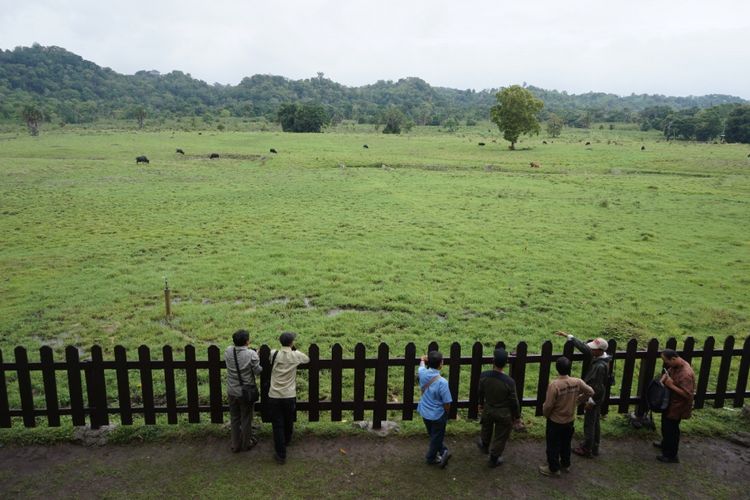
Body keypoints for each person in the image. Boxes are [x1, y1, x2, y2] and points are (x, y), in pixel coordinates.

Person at [555, 331, 611, 458]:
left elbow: (598, 387)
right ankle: (595, 446)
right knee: (595, 421)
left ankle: (587, 448)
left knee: (590, 423)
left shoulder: (600, 367)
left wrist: (590, 401)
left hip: (594, 397)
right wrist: (570, 337)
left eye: (593, 349)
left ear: (599, 351)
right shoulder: (601, 357)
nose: (591, 350)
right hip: (596, 396)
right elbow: (585, 348)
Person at [539, 356, 594, 477]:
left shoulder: (555, 385)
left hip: (555, 421)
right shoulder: (577, 382)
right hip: (570, 420)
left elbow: (548, 405)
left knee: (553, 445)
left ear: (557, 368)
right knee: (566, 443)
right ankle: (566, 464)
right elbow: (590, 392)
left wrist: (546, 414)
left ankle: (553, 469)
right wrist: (578, 401)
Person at [267, 331, 309, 465]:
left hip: (274, 394)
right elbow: (307, 359)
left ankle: (281, 454)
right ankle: (287, 440)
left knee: (277, 424)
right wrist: (294, 349)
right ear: (292, 343)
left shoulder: (274, 353)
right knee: (289, 419)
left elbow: (268, 358)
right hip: (289, 395)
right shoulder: (296, 355)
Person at [477, 348, 522, 467]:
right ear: (506, 364)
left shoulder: (484, 376)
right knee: (501, 436)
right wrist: (516, 416)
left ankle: (484, 444)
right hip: (504, 413)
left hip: (489, 409)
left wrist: (481, 404)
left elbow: (480, 392)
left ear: (493, 361)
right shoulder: (509, 382)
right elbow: (514, 401)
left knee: (486, 428)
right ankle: (494, 458)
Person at [224, 329, 262, 453]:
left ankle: (235, 445)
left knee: (234, 418)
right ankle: (246, 443)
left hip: (231, 390)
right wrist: (257, 356)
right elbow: (258, 371)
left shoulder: (228, 351)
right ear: (247, 341)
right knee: (246, 418)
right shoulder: (251, 354)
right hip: (245, 393)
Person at [654, 348, 695, 463]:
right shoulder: (676, 365)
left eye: (667, 361)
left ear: (673, 358)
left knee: (671, 429)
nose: (667, 364)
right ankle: (665, 444)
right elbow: (670, 372)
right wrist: (664, 378)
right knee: (665, 425)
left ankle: (671, 455)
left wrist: (670, 385)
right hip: (670, 403)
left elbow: (688, 395)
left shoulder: (685, 374)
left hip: (678, 406)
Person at [417, 351, 453, 468]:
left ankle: (442, 451)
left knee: (434, 435)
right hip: (438, 414)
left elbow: (421, 366)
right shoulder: (442, 382)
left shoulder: (422, 373)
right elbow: (447, 402)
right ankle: (432, 457)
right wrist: (446, 412)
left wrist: (423, 359)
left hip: (424, 412)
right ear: (441, 364)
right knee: (436, 435)